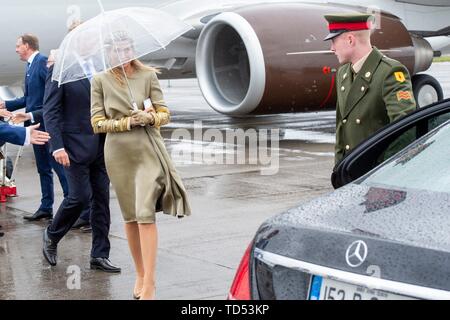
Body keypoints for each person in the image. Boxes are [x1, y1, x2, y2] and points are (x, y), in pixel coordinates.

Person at [91, 32, 191, 299]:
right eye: (117, 50)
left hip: (147, 152)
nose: (123, 55)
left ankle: (150, 282)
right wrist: (127, 122)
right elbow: (97, 123)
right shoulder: (100, 80)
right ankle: (140, 273)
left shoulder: (148, 76)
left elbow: (164, 113)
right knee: (131, 218)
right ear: (109, 53)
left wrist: (148, 117)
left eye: (127, 49)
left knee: (145, 215)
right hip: (118, 154)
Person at [323, 14, 417, 165]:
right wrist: (339, 168)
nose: (332, 48)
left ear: (350, 40)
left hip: (376, 171)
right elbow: (342, 127)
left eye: (334, 41)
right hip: (352, 169)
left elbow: (405, 128)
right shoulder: (344, 73)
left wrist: (385, 168)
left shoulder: (389, 72)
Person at [0, 34, 68, 221]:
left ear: (27, 46)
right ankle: (46, 206)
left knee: (58, 166)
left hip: (46, 125)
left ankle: (72, 205)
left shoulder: (42, 62)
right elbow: (28, 99)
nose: (15, 49)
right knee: (43, 168)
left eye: (18, 45)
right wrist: (5, 105)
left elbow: (54, 95)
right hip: (33, 124)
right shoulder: (30, 65)